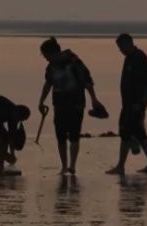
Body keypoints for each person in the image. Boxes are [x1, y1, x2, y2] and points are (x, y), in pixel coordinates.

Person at [36, 37, 103, 175]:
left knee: (74, 135)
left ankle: (72, 165)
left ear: (54, 52)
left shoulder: (74, 61)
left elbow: (87, 80)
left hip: (76, 104)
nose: (46, 58)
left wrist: (94, 99)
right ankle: (64, 166)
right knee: (60, 136)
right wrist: (41, 101)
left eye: (46, 55)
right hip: (59, 105)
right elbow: (48, 83)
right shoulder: (51, 67)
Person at [109, 33, 147, 176]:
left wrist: (141, 102)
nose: (121, 50)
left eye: (122, 47)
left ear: (130, 43)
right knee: (131, 132)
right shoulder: (130, 58)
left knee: (132, 131)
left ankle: (127, 165)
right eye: (119, 48)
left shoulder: (138, 57)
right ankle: (128, 165)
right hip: (128, 103)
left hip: (135, 103)